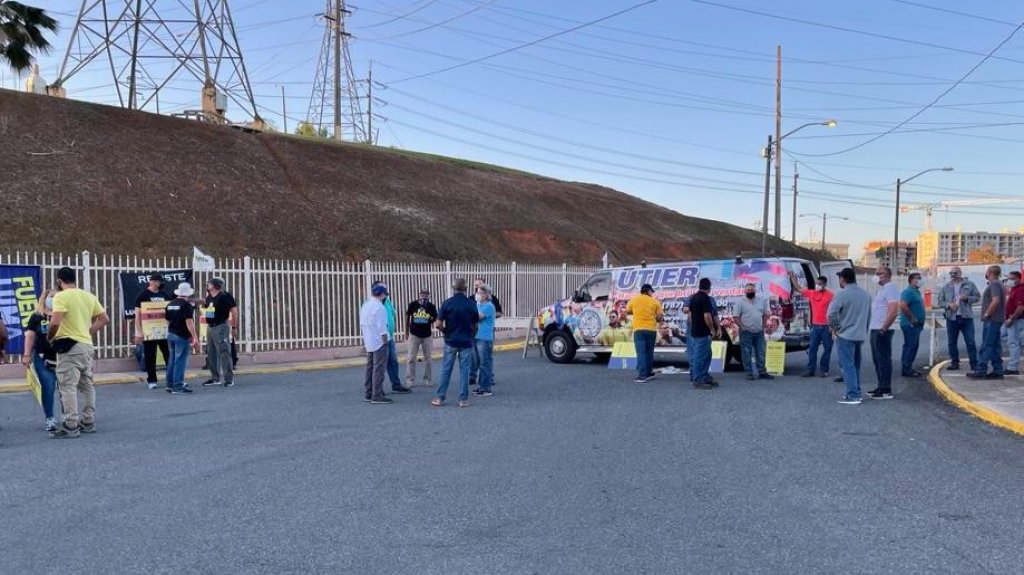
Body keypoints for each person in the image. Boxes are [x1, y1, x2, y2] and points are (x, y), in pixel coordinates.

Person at [47, 267, 110, 438]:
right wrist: (87, 332)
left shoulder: (61, 296)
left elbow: (55, 323)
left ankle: (70, 424)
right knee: (87, 385)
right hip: (86, 345)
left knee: (67, 386)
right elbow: (104, 319)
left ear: (59, 281)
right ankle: (88, 421)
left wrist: (50, 337)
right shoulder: (88, 296)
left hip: (69, 346)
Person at [432, 278, 479, 408]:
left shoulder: (447, 303)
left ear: (454, 288)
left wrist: (445, 331)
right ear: (466, 289)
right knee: (464, 371)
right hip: (466, 341)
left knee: (446, 369)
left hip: (451, 340)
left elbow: (438, 324)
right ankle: (463, 399)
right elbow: (475, 325)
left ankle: (440, 397)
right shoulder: (471, 304)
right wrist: (471, 336)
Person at [828, 268, 872, 405]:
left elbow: (830, 314)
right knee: (855, 365)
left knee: (847, 366)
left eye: (839, 278)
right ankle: (856, 392)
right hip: (859, 335)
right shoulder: (866, 295)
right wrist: (863, 331)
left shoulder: (841, 294)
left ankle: (853, 395)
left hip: (845, 335)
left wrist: (835, 328)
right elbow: (868, 316)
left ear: (843, 279)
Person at [21, 289, 59, 431]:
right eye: (51, 297)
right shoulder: (36, 317)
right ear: (45, 299)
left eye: (56, 297)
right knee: (48, 388)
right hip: (42, 358)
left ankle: (69, 416)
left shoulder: (63, 315)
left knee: (66, 389)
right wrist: (26, 355)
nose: (53, 300)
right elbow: (30, 336)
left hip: (63, 357)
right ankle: (50, 418)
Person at [789, 272, 834, 377]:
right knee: (812, 349)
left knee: (827, 349)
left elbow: (837, 308)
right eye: (816, 283)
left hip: (826, 327)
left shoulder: (830, 295)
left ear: (824, 284)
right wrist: (793, 278)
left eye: (820, 284)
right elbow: (799, 288)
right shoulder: (812, 293)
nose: (817, 285)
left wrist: (833, 326)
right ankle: (810, 370)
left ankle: (824, 370)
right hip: (815, 326)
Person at [937, 266, 981, 372]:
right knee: (952, 342)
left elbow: (977, 297)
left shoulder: (969, 285)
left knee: (970, 341)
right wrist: (948, 305)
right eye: (951, 273)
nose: (954, 275)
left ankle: (974, 364)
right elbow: (940, 301)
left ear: (960, 273)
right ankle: (955, 362)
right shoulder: (946, 287)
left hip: (966, 317)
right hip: (952, 318)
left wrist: (967, 298)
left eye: (956, 272)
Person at [866, 266, 899, 400]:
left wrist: (884, 327)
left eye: (880, 273)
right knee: (877, 359)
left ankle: (886, 389)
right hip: (876, 328)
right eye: (876, 273)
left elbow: (893, 311)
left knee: (883, 359)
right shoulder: (882, 290)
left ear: (888, 276)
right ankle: (881, 386)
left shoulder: (890, 288)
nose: (877, 276)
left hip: (882, 329)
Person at [134, 273, 172, 390]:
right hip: (149, 331)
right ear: (152, 282)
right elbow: (137, 315)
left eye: (160, 282)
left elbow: (169, 312)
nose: (160, 284)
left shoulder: (164, 295)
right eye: (158, 282)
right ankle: (152, 380)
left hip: (163, 331)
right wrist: (139, 332)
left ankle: (171, 378)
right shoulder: (143, 295)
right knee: (150, 356)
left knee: (168, 354)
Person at [373, 281, 412, 395]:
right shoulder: (372, 304)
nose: (386, 293)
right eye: (384, 290)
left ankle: (396, 385)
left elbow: (393, 313)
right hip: (379, 338)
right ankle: (377, 389)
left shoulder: (387, 301)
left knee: (393, 361)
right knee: (379, 364)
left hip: (389, 336)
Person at [968, 265, 1006, 380]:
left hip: (992, 319)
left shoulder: (994, 284)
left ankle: (981, 369)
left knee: (987, 345)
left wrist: (987, 313)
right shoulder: (1000, 284)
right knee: (995, 345)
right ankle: (998, 370)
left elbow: (996, 300)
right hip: (997, 319)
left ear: (989, 272)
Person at [201, 277, 238, 387]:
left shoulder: (225, 296)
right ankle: (215, 378)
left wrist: (234, 327)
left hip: (221, 326)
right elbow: (206, 306)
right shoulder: (209, 297)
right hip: (210, 327)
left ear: (215, 285)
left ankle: (229, 379)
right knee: (211, 352)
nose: (207, 285)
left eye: (209, 283)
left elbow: (234, 311)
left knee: (224, 352)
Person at [164, 282, 199, 394]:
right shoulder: (186, 305)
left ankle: (170, 384)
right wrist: (195, 337)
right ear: (188, 294)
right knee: (180, 361)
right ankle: (178, 385)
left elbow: (167, 320)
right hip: (181, 335)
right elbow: (189, 322)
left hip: (171, 334)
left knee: (172, 360)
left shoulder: (170, 304)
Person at [360, 284, 393, 404]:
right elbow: (382, 328)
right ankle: (377, 395)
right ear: (382, 294)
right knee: (379, 369)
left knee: (370, 368)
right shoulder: (379, 307)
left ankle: (368, 393)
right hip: (379, 342)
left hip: (369, 341)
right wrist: (385, 342)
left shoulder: (366, 305)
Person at [625, 283, 663, 384]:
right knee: (649, 352)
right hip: (651, 330)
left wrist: (636, 312)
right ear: (648, 291)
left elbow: (627, 311)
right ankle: (648, 372)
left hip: (639, 330)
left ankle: (642, 375)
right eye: (651, 291)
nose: (652, 293)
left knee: (641, 352)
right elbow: (660, 317)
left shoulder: (634, 300)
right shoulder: (655, 302)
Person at [734, 283, 773, 381]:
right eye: (748, 290)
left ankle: (762, 372)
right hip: (746, 332)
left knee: (761, 352)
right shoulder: (740, 302)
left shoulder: (761, 301)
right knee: (746, 353)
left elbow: (766, 314)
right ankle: (749, 373)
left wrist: (763, 325)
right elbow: (736, 317)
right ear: (745, 291)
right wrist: (742, 327)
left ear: (755, 290)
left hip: (759, 331)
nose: (750, 291)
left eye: (752, 289)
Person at [469, 276, 503, 387]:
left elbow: (480, 316)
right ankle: (473, 377)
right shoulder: (472, 299)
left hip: (485, 334)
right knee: (474, 357)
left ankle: (487, 383)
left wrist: (489, 315)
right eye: (475, 286)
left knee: (485, 359)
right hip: (474, 333)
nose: (477, 289)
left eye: (479, 287)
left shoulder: (490, 304)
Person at [687, 278, 719, 390]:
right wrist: (712, 329)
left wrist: (694, 326)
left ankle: (704, 376)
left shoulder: (693, 297)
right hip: (703, 332)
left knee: (707, 355)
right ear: (709, 287)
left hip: (696, 331)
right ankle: (697, 379)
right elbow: (707, 316)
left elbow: (690, 316)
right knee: (700, 357)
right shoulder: (705, 298)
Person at [405, 288, 437, 387]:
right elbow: (407, 317)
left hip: (427, 335)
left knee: (428, 358)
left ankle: (428, 379)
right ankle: (410, 380)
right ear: (419, 295)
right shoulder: (413, 305)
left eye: (426, 295)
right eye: (422, 295)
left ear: (429, 296)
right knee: (411, 358)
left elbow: (435, 317)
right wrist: (406, 331)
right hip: (414, 334)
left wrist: (430, 319)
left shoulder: (431, 306)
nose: (424, 297)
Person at [899, 272, 926, 378]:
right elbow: (903, 305)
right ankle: (907, 369)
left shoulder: (916, 292)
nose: (920, 280)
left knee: (912, 346)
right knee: (911, 346)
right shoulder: (908, 292)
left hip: (916, 324)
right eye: (917, 278)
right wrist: (912, 318)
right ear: (911, 280)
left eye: (920, 278)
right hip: (910, 324)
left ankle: (907, 367)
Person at [473, 285, 497, 397]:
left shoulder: (489, 306)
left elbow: (478, 317)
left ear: (486, 295)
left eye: (480, 293)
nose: (477, 295)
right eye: (477, 292)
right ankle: (481, 386)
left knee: (485, 363)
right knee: (479, 363)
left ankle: (486, 388)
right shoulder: (479, 305)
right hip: (477, 337)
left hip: (485, 338)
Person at [1004, 271, 1024, 376]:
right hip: (1012, 320)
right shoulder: (1013, 289)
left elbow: (1020, 308)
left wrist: (1011, 319)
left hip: (1016, 320)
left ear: (1018, 279)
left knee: (1013, 343)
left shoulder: (1020, 290)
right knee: (1004, 336)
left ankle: (1013, 367)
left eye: (1011, 279)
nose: (1009, 281)